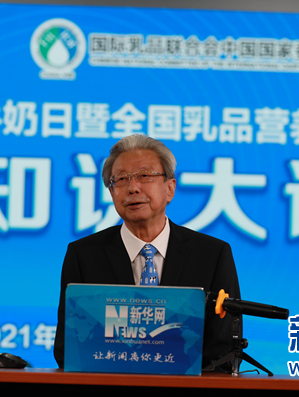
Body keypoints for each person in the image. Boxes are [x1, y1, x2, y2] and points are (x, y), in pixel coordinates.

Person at [53, 134, 241, 371]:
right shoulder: (84, 255)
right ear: (111, 193)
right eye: (121, 179)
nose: (132, 188)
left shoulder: (212, 255)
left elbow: (224, 350)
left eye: (145, 175)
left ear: (170, 188)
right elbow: (69, 349)